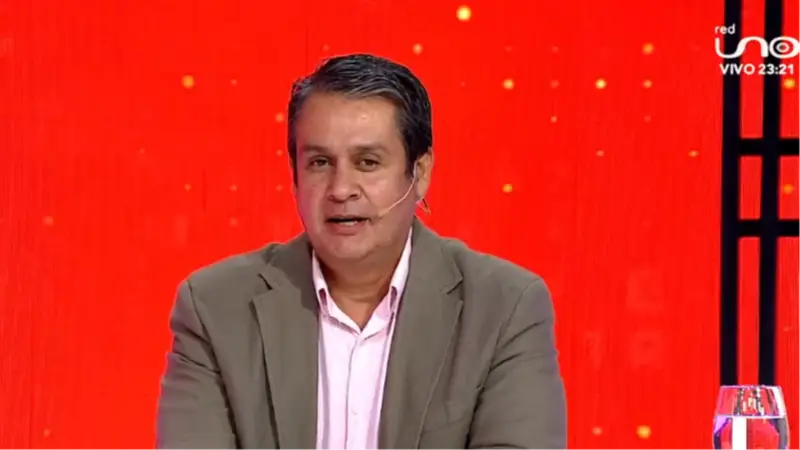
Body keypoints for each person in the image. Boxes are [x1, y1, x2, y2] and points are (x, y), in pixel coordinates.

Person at [156, 53, 567, 450]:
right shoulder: (216, 307)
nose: (340, 189)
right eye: (320, 163)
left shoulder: (503, 308)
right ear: (294, 176)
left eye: (367, 162)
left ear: (420, 173)